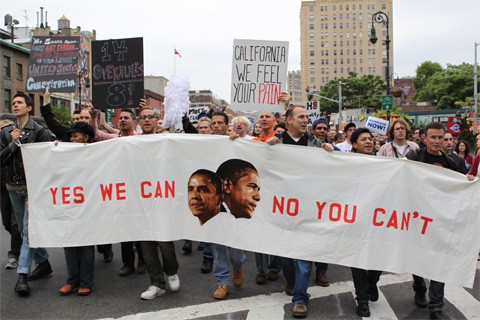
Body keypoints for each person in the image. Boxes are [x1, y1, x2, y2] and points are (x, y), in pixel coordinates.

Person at [266, 105, 333, 318]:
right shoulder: (276, 144)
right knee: (286, 255)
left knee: (304, 256)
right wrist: (265, 149)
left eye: (307, 117)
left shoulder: (316, 145)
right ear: (289, 121)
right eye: (301, 117)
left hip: (308, 210)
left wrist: (332, 154)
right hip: (283, 210)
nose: (306, 120)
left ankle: (300, 298)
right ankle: (292, 282)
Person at [40, 88, 114, 263]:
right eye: (80, 118)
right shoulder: (69, 136)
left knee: (99, 224)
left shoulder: (99, 141)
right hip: (76, 191)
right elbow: (52, 123)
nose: (82, 121)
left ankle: (105, 248)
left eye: (86, 118)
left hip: (96, 188)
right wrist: (46, 100)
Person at [405, 122, 465, 320]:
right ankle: (419, 286)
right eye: (433, 137)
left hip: (442, 222)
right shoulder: (414, 157)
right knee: (418, 258)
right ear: (424, 138)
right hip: (418, 218)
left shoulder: (453, 163)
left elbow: (462, 188)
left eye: (441, 137)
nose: (438, 141)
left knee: (441, 262)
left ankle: (436, 306)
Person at [0, 92, 54, 296]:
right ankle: (44, 263)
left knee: (28, 231)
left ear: (29, 108)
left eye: (20, 102)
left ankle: (22, 274)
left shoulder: (39, 130)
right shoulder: (6, 132)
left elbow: (46, 162)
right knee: (25, 233)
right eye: (13, 103)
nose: (15, 105)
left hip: (33, 190)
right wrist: (13, 143)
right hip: (13, 188)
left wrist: (38, 191)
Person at [136, 106, 180, 300]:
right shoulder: (131, 142)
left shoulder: (167, 141)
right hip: (140, 202)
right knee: (146, 247)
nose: (147, 120)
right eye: (143, 117)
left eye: (150, 117)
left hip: (163, 199)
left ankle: (171, 271)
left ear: (156, 120)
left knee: (165, 243)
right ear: (139, 121)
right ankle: (157, 283)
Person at [58, 122, 96, 296]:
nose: (71, 139)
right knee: (69, 244)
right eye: (70, 136)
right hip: (69, 204)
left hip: (88, 206)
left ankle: (86, 281)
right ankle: (72, 280)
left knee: (86, 246)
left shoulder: (96, 154)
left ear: (86, 138)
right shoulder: (63, 154)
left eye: (75, 136)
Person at [349, 128, 382, 317]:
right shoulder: (346, 162)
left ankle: (372, 282)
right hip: (355, 219)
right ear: (354, 144)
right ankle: (362, 299)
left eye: (370, 139)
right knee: (358, 260)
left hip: (378, 220)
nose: (369, 142)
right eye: (364, 139)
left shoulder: (385, 164)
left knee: (378, 258)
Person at [0, 119, 21, 270]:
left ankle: (14, 255)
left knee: (15, 223)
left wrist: (13, 143)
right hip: (3, 189)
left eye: (6, 128)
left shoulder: (17, 142)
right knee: (7, 222)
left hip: (15, 186)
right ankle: (20, 239)